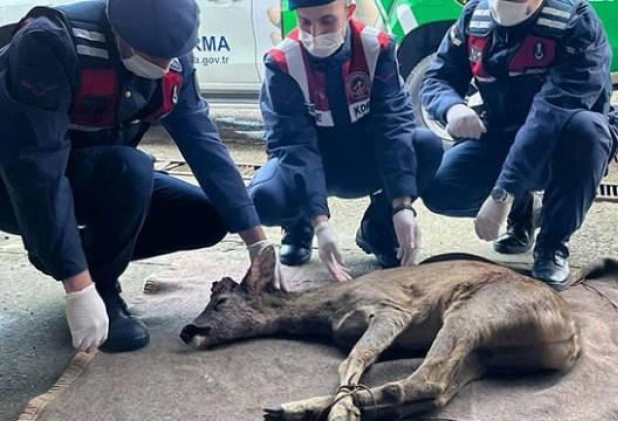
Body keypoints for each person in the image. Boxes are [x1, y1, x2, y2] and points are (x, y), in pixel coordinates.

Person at [0, 0, 283, 354]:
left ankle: (67, 255)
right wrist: (77, 284)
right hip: (16, 189)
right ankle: (98, 285)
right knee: (133, 168)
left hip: (101, 177)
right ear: (116, 28)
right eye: (152, 54)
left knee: (207, 217)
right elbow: (36, 171)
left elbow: (203, 143)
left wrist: (257, 242)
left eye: (172, 56)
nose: (163, 67)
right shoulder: (50, 44)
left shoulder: (174, 58)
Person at [419, 0, 618, 291]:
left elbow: (549, 115)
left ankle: (553, 243)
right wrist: (451, 107)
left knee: (588, 132)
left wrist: (504, 192)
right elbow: (438, 76)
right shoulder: (476, 17)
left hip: (561, 135)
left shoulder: (574, 22)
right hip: (503, 131)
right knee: (443, 190)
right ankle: (524, 210)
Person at [248, 0, 443, 281]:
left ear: (349, 11)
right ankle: (298, 224)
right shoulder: (282, 63)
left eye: (327, 21)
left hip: (364, 159)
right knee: (263, 198)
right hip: (314, 164)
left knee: (425, 145)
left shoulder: (377, 48)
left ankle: (380, 226)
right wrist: (320, 222)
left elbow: (392, 125)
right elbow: (295, 145)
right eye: (305, 22)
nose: (315, 33)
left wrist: (402, 204)